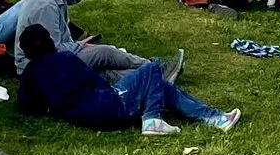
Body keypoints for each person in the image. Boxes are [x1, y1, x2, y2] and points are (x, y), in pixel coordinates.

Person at [14, 24, 236, 135]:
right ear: (50, 42)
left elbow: (26, 106)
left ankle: (215, 118)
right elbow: (96, 82)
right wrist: (115, 92)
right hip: (107, 106)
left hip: (86, 115)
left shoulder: (31, 75)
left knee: (162, 86)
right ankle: (152, 119)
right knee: (152, 69)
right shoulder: (66, 59)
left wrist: (51, 108)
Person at [12, 0, 154, 78]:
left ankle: (148, 75)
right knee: (104, 53)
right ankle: (152, 68)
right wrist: (79, 46)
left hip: (47, 61)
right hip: (37, 66)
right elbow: (53, 49)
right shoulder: (45, 6)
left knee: (97, 73)